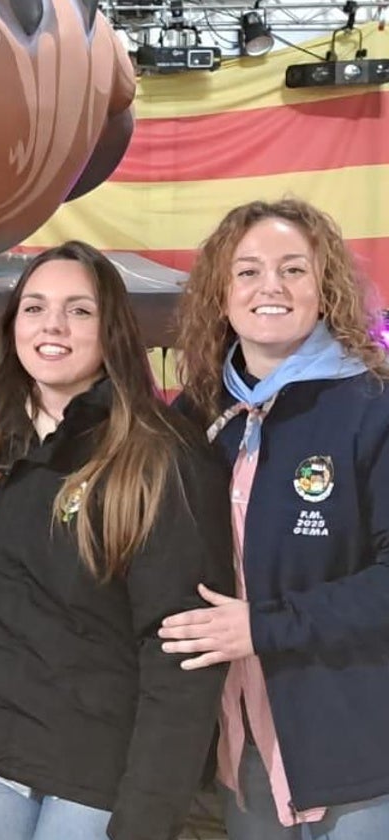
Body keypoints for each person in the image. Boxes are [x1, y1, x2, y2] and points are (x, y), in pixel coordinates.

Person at [0, 241, 233, 840]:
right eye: (35, 307)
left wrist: (149, 812)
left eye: (79, 310)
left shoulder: (159, 456)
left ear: (113, 331)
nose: (53, 324)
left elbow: (183, 654)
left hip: (97, 774)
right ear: (13, 325)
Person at [160, 199, 389, 839]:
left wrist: (263, 626)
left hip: (354, 741)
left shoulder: (370, 406)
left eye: (294, 270)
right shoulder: (198, 415)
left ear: (325, 289)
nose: (272, 288)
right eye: (249, 271)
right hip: (244, 743)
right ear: (222, 293)